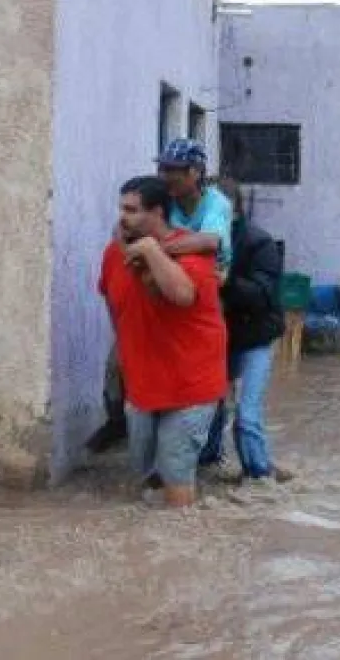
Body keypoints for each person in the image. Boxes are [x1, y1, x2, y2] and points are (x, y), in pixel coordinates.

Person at [87, 139, 233, 454]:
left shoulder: (215, 204)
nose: (165, 175)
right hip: (159, 276)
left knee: (202, 362)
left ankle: (207, 444)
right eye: (163, 168)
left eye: (173, 170)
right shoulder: (166, 200)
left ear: (195, 173)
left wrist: (153, 249)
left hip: (214, 281)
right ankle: (120, 423)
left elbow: (209, 242)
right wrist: (135, 249)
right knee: (119, 364)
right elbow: (122, 230)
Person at [98, 176, 227, 507]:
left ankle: (182, 545)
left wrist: (151, 250)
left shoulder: (194, 254)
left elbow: (182, 295)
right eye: (121, 208)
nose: (121, 216)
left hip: (191, 387)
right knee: (144, 478)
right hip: (142, 385)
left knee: (174, 477)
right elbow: (113, 303)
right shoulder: (114, 255)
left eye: (131, 210)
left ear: (157, 212)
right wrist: (123, 354)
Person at [199, 178, 293, 485]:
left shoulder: (258, 243)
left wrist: (225, 281)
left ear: (232, 210)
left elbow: (263, 294)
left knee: (246, 414)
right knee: (211, 408)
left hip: (254, 340)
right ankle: (209, 463)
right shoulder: (198, 238)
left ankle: (259, 475)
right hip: (219, 340)